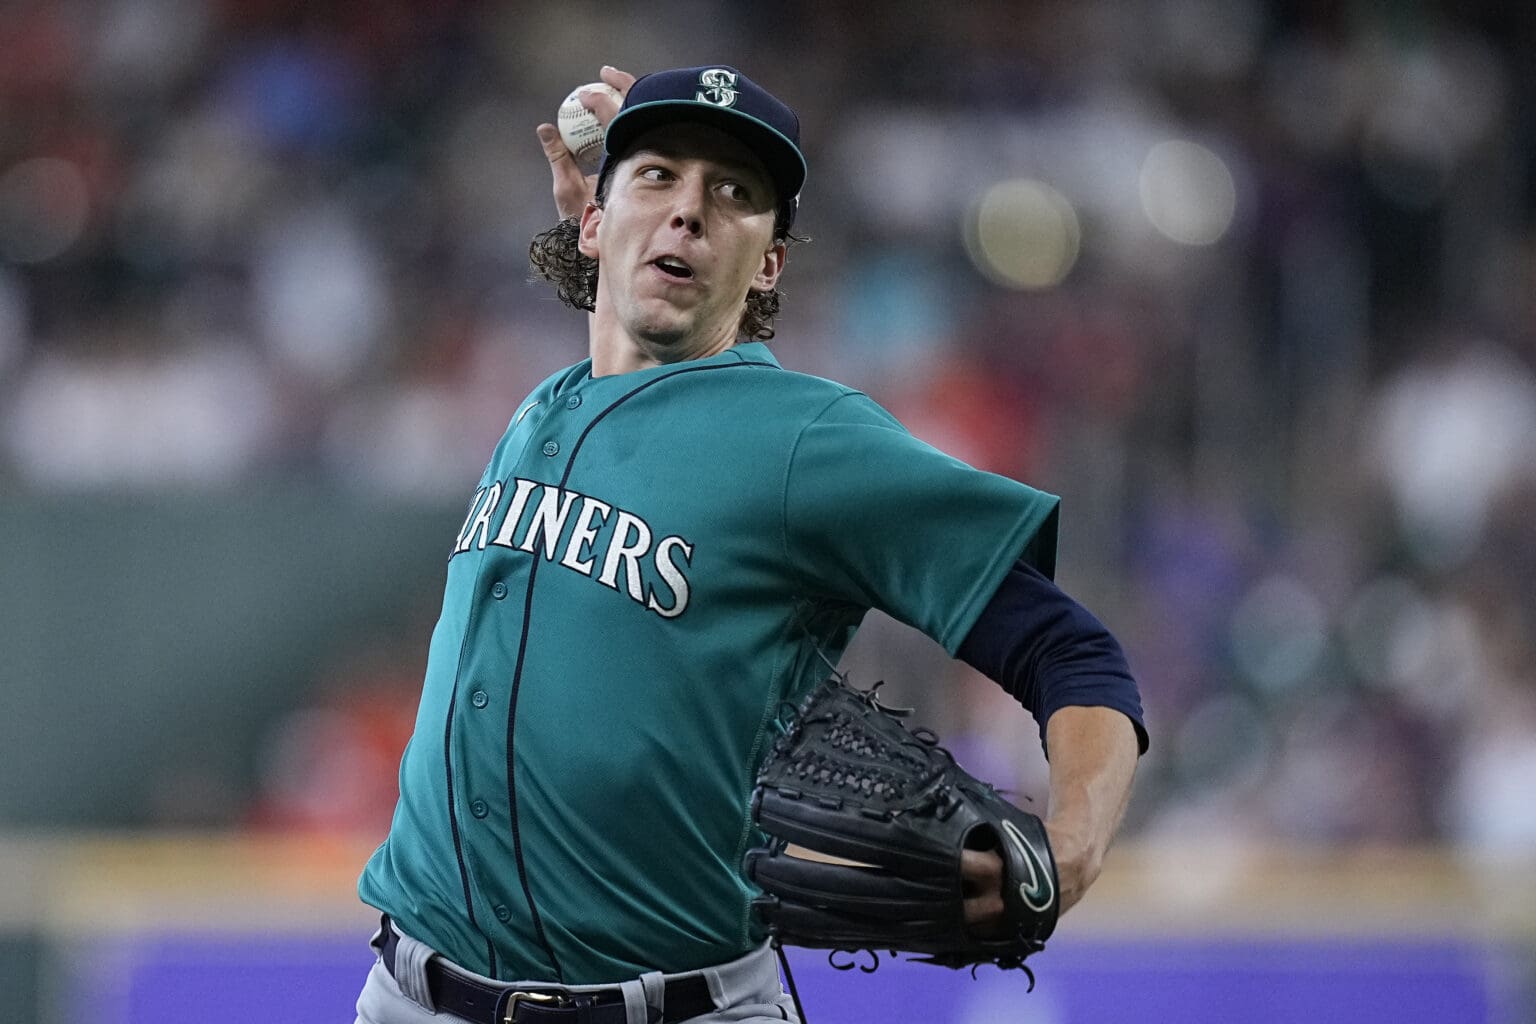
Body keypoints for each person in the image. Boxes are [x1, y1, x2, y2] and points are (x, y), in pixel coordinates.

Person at [353, 63, 1148, 1024]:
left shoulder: (806, 441)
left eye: (735, 195)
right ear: (593, 223)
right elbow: (636, 374)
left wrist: (1071, 848)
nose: (691, 211)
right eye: (659, 176)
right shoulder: (550, 404)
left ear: (769, 262)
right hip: (410, 995)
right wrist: (603, 244)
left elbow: (1071, 651)